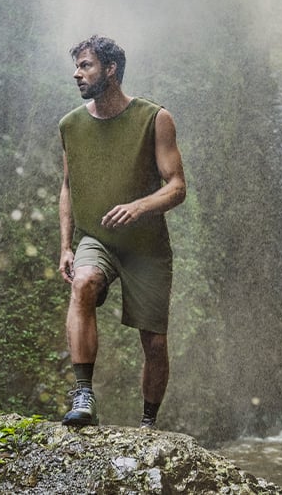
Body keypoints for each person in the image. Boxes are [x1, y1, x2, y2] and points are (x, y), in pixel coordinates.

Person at [57, 35, 186, 428]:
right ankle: (83, 395)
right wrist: (66, 246)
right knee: (83, 283)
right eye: (77, 66)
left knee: (155, 343)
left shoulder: (155, 118)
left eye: (86, 65)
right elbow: (67, 187)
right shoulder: (70, 125)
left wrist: (139, 206)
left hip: (146, 247)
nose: (77, 74)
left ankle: (148, 425)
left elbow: (177, 186)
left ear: (110, 69)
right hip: (96, 238)